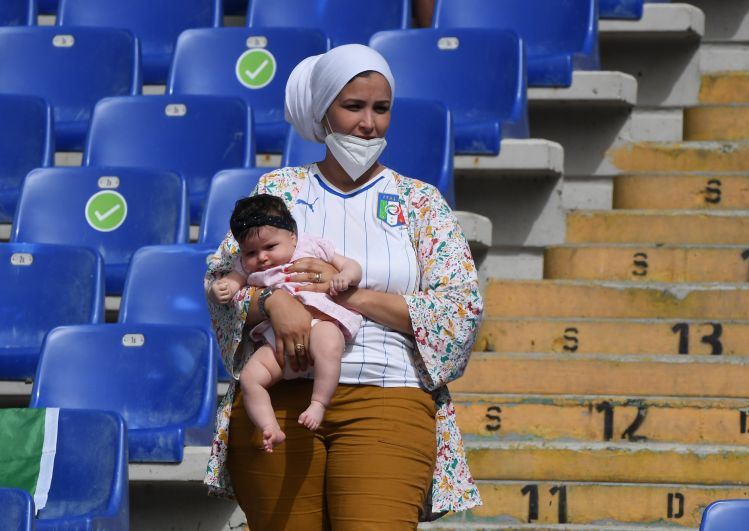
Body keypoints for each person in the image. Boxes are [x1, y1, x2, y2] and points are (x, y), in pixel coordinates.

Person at [204, 43, 483, 530]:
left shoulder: (420, 202)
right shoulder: (280, 190)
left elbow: (459, 310)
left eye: (381, 108)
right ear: (323, 111)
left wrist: (346, 298)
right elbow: (223, 284)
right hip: (281, 398)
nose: (368, 123)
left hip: (388, 394)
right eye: (353, 107)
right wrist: (275, 299)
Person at [207, 193, 363, 452]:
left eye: (270, 247)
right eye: (251, 252)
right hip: (276, 340)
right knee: (250, 377)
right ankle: (269, 426)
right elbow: (229, 285)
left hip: (318, 320)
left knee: (329, 342)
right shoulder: (245, 267)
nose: (262, 258)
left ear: (293, 236)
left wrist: (346, 276)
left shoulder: (311, 247)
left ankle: (318, 403)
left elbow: (351, 266)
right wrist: (218, 290)